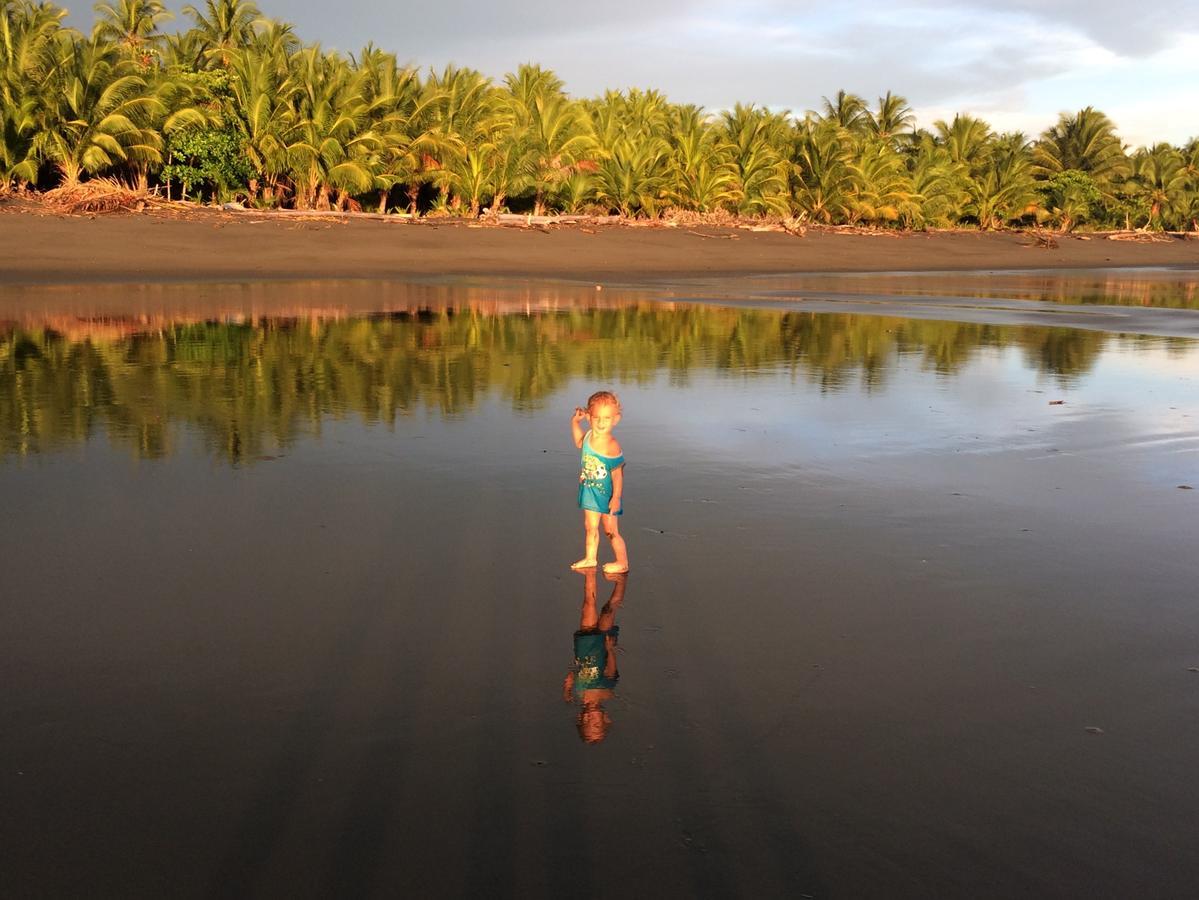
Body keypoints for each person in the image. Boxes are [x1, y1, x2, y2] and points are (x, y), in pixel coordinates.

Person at [563, 568, 626, 743]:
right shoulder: (606, 692)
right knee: (608, 610)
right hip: (601, 645)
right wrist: (610, 649)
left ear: (581, 719)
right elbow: (611, 672)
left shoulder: (578, 694)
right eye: (596, 725)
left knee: (588, 603)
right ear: (604, 719)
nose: (591, 720)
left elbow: (576, 672)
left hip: (584, 643)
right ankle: (622, 580)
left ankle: (590, 570)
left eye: (587, 724)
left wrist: (567, 685)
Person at [570, 390, 629, 574]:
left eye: (607, 418)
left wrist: (616, 497)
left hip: (607, 495)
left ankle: (622, 562)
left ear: (615, 419)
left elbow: (618, 474)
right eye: (597, 418)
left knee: (610, 530)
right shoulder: (588, 436)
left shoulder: (612, 445)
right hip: (589, 491)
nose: (601, 423)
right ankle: (590, 558)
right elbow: (579, 442)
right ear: (589, 417)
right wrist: (574, 422)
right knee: (590, 527)